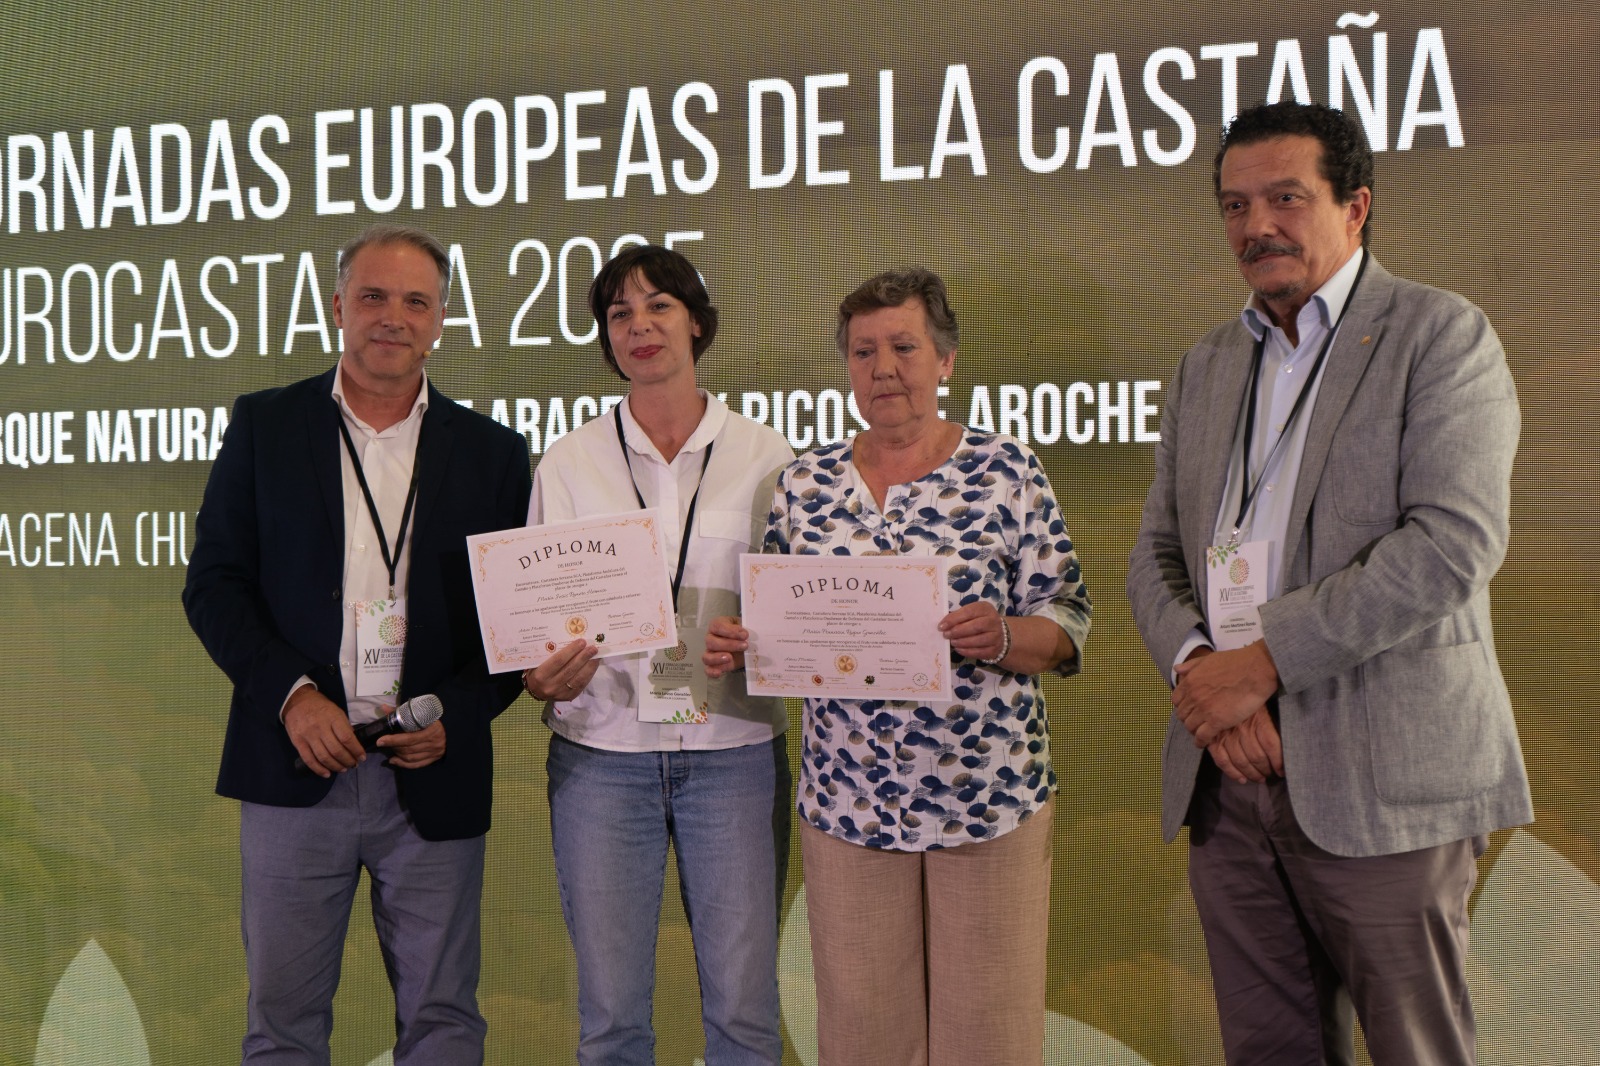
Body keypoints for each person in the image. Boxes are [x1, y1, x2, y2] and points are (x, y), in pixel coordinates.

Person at [1125, 101, 1533, 1064]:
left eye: (1286, 198)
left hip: (1383, 777)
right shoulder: (1206, 365)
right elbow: (1155, 553)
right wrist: (1206, 677)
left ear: (1356, 207)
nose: (1256, 225)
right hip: (1229, 777)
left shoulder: (1439, 334)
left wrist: (1262, 664)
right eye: (1235, 205)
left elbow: (1451, 543)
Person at [706, 268, 1092, 1066]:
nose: (883, 368)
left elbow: (1066, 619)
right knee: (861, 1040)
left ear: (945, 360)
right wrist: (743, 647)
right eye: (863, 352)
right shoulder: (803, 485)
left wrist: (1002, 635)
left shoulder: (1006, 471)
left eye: (904, 348)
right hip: (849, 804)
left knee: (988, 1041)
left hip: (986, 801)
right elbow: (777, 626)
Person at [183, 224, 532, 1064]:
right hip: (295, 764)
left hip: (432, 772)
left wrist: (456, 715)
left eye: (415, 301)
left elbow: (514, 629)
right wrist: (293, 696)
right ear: (338, 307)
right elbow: (214, 585)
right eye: (372, 296)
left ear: (440, 320)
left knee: (444, 1022)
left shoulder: (493, 453)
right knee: (281, 1027)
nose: (392, 317)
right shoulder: (265, 426)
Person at [524, 244, 794, 1065]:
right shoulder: (570, 462)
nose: (639, 326)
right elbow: (534, 617)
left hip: (735, 756)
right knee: (611, 1019)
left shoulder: (768, 457)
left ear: (697, 324)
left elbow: (799, 615)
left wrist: (763, 639)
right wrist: (539, 671)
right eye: (619, 314)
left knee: (744, 1013)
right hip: (600, 757)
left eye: (658, 306)